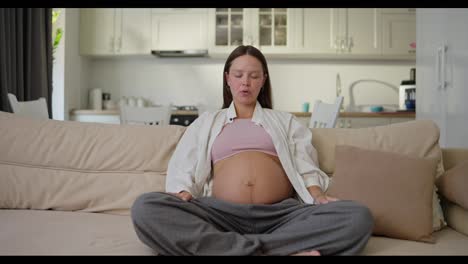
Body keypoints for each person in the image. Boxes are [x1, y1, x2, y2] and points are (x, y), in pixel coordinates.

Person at [131, 45, 373, 256]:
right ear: (227, 78)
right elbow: (184, 164)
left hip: (281, 217)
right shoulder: (207, 121)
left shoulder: (284, 121)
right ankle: (277, 250)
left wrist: (318, 195)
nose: (245, 82)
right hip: (220, 216)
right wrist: (182, 191)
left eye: (254, 76)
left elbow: (305, 166)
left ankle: (228, 250)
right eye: (238, 75)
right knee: (146, 207)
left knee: (358, 217)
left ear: (263, 80)